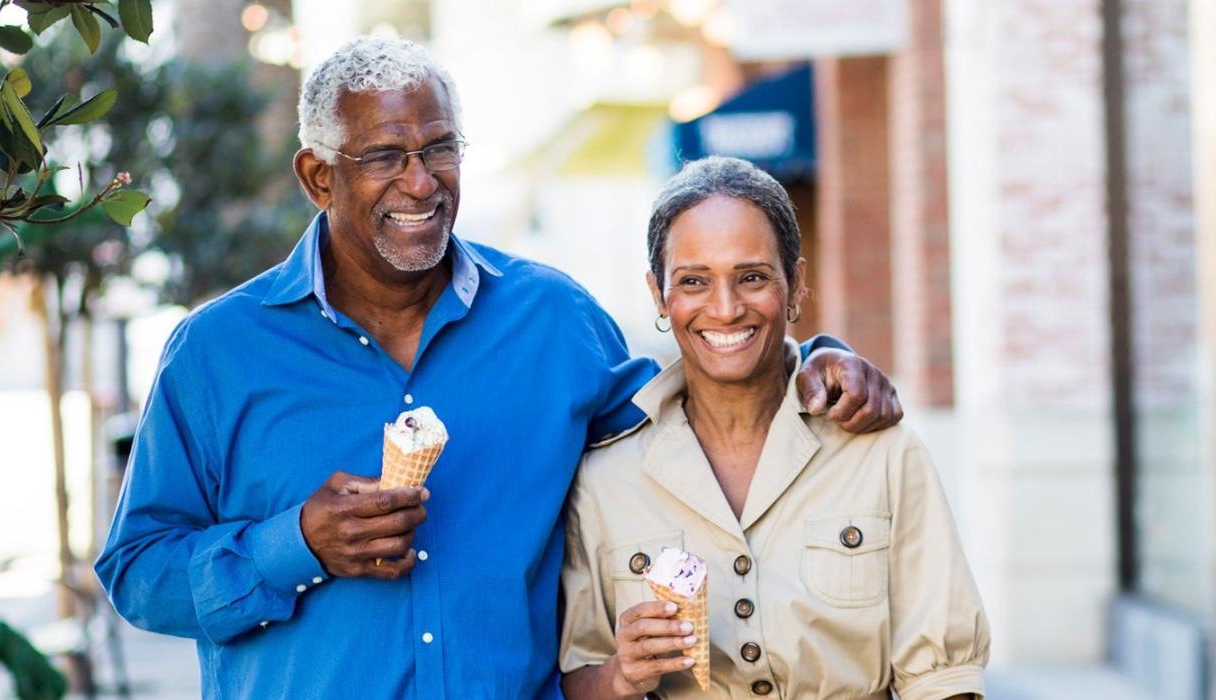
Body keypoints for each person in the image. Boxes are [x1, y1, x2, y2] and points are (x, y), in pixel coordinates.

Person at [93, 38, 901, 698]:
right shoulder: (217, 354)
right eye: (385, 156)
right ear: (318, 176)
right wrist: (292, 543)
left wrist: (812, 358)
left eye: (439, 148)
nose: (421, 182)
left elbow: (692, 420)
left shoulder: (551, 321)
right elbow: (137, 574)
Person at [558, 157, 988, 699]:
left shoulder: (881, 453)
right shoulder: (606, 480)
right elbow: (580, 677)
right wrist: (623, 675)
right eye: (693, 281)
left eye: (752, 277)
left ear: (796, 284)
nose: (725, 307)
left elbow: (944, 682)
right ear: (658, 294)